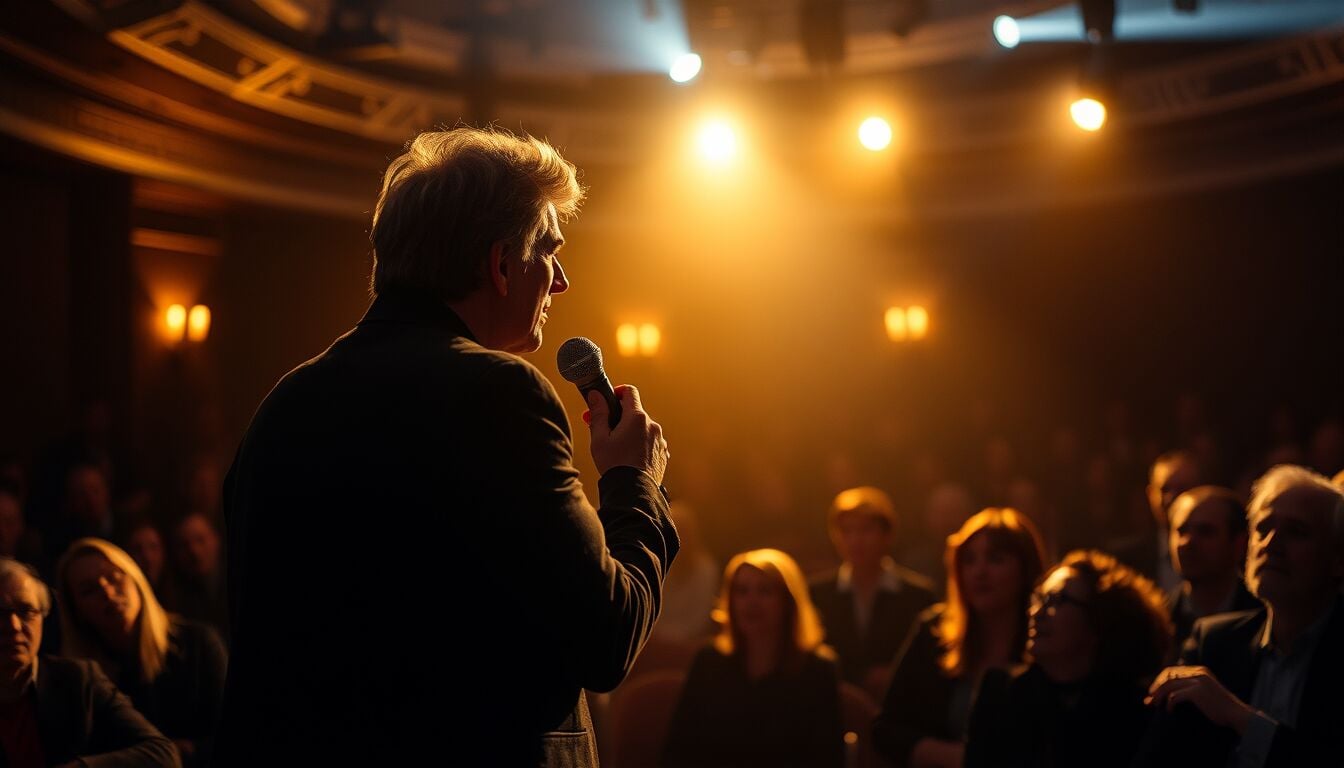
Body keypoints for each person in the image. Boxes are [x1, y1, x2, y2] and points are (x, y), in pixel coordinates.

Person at [217, 127, 676, 767]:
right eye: (549, 251)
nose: (562, 282)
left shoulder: (283, 405)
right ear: (500, 264)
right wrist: (634, 484)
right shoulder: (499, 393)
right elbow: (605, 640)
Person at [1139, 465, 1344, 767]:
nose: (1271, 543)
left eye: (1296, 532)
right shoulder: (1214, 643)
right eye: (1263, 528)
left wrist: (1239, 717)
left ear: (1338, 559)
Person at [964, 550, 1171, 768]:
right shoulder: (1000, 691)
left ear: (1099, 618)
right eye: (1038, 598)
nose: (1037, 612)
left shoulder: (1134, 709)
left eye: (1056, 600)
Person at [873, 508, 1046, 768]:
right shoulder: (934, 633)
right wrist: (954, 757)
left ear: (1025, 568)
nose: (979, 572)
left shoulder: (1049, 637)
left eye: (995, 559)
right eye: (969, 560)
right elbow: (886, 729)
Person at [662, 548, 844, 768]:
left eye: (765, 591)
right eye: (742, 591)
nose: (751, 601)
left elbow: (827, 758)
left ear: (788, 602)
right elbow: (679, 749)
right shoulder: (708, 662)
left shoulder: (818, 670)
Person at [56, 538, 227, 766]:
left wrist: (188, 750)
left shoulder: (198, 644)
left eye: (114, 577)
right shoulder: (83, 676)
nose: (107, 592)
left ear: (135, 578)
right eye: (89, 590)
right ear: (76, 611)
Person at [0, 557, 180, 767]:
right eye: (0, 613)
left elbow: (162, 753)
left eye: (27, 612)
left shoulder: (78, 680)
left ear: (43, 617)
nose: (14, 626)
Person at [809, 486, 936, 699]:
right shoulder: (817, 594)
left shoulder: (918, 595)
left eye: (866, 530)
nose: (855, 540)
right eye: (846, 531)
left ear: (887, 534)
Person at [1165, 486, 1259, 653]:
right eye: (1181, 531)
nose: (1187, 542)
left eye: (1205, 532)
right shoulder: (1158, 619)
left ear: (1239, 544)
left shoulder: (1263, 619)